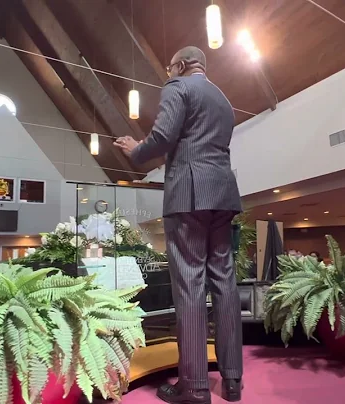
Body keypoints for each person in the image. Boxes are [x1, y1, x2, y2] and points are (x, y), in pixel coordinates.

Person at [114, 46, 242, 404]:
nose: (167, 74)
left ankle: (196, 387)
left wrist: (136, 150)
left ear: (182, 66)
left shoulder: (178, 87)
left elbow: (164, 136)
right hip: (222, 193)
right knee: (225, 283)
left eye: (170, 68)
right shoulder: (223, 99)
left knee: (189, 286)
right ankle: (232, 381)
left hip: (188, 194)